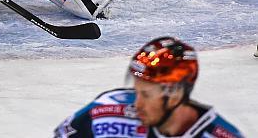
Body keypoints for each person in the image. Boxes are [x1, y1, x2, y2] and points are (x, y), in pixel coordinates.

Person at [53, 36, 245, 137]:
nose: (137, 105)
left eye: (145, 94)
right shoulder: (106, 112)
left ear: (175, 94)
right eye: (136, 92)